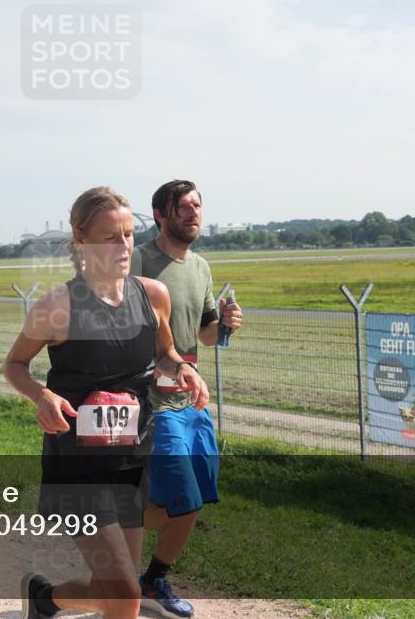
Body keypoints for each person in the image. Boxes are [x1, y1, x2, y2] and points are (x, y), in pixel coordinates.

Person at [4, 187, 209, 619]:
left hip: (131, 458)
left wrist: (182, 369)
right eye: (110, 237)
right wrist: (42, 395)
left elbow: (164, 354)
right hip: (77, 464)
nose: (124, 246)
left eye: (128, 235)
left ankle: (45, 599)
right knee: (125, 595)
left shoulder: (153, 295)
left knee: (116, 589)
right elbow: (15, 364)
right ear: (81, 240)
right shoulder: (57, 307)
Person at [131, 180, 243, 619]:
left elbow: (206, 335)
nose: (194, 213)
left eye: (197, 205)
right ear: (161, 215)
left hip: (191, 400)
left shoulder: (200, 267)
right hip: (152, 402)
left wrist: (226, 324)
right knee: (183, 497)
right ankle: (100, 530)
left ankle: (153, 578)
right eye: (183, 206)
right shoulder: (139, 260)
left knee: (194, 499)